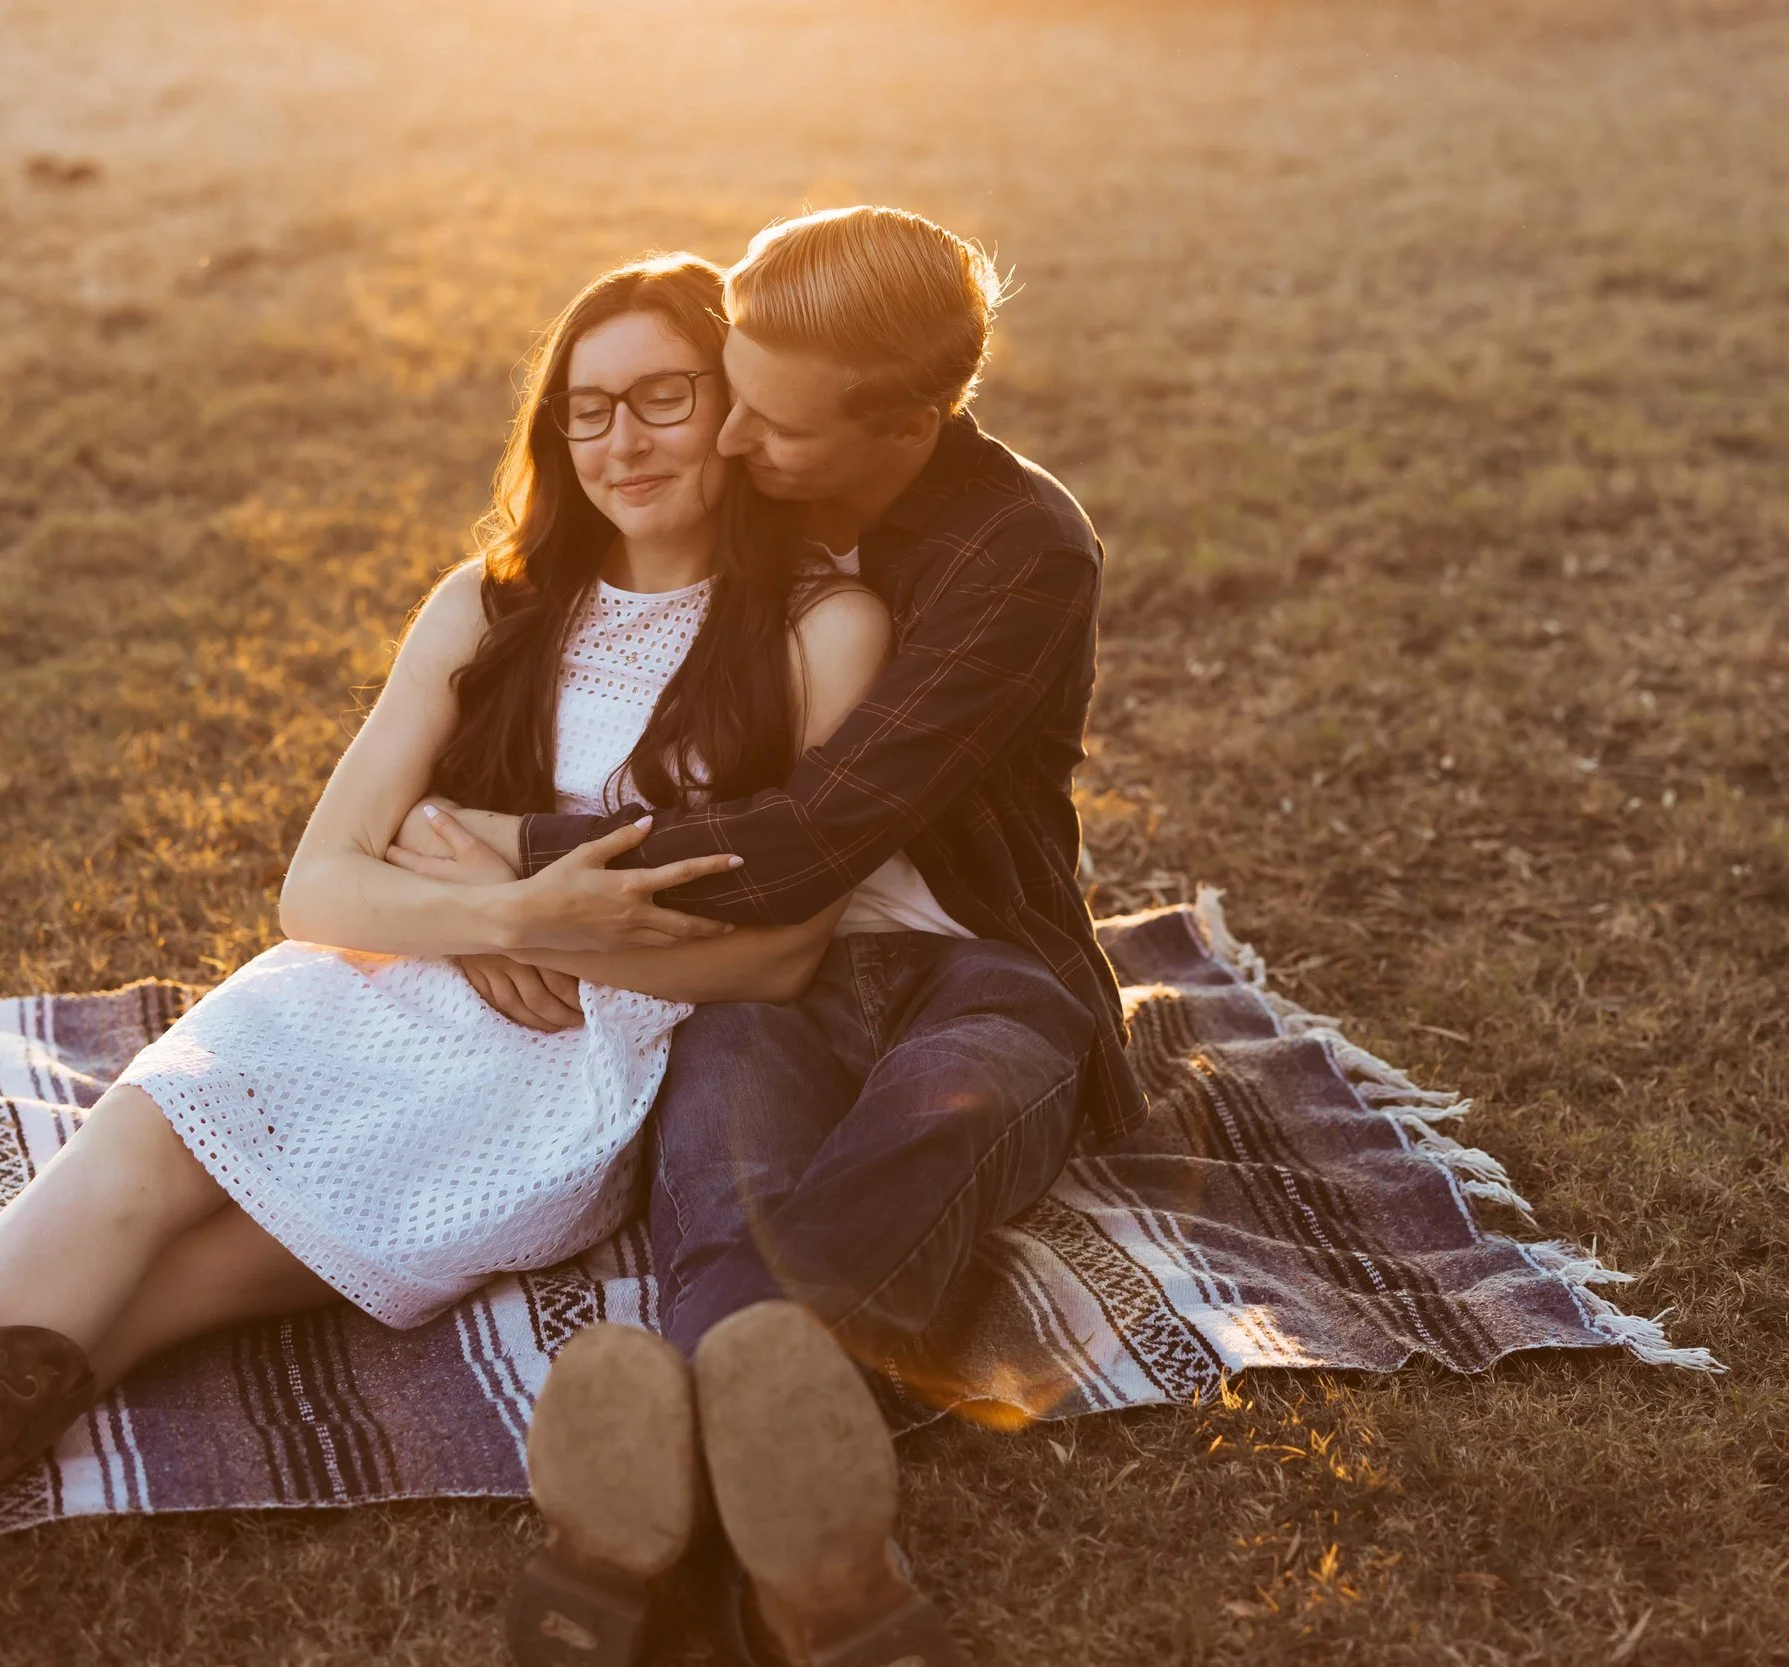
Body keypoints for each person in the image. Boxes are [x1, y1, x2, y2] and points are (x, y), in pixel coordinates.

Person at [0, 252, 896, 1642]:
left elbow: (777, 957)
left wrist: (540, 922)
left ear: (738, 413)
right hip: (364, 989)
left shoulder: (819, 632)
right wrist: (514, 914)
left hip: (559, 1083)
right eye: (588, 407)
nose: (623, 439)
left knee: (145, 1289)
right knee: (127, 1200)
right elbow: (317, 886)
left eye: (664, 396)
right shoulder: (493, 600)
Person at [391, 207, 1145, 1667]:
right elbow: (571, 633)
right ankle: (805, 1570)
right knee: (724, 1171)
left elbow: (810, 835)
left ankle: (650, 1511)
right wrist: (476, 876)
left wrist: (518, 860)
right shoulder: (745, 473)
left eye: (772, 424)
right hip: (759, 956)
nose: (727, 443)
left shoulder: (1022, 552)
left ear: (910, 423)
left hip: (974, 953)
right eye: (727, 392)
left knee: (935, 1128)